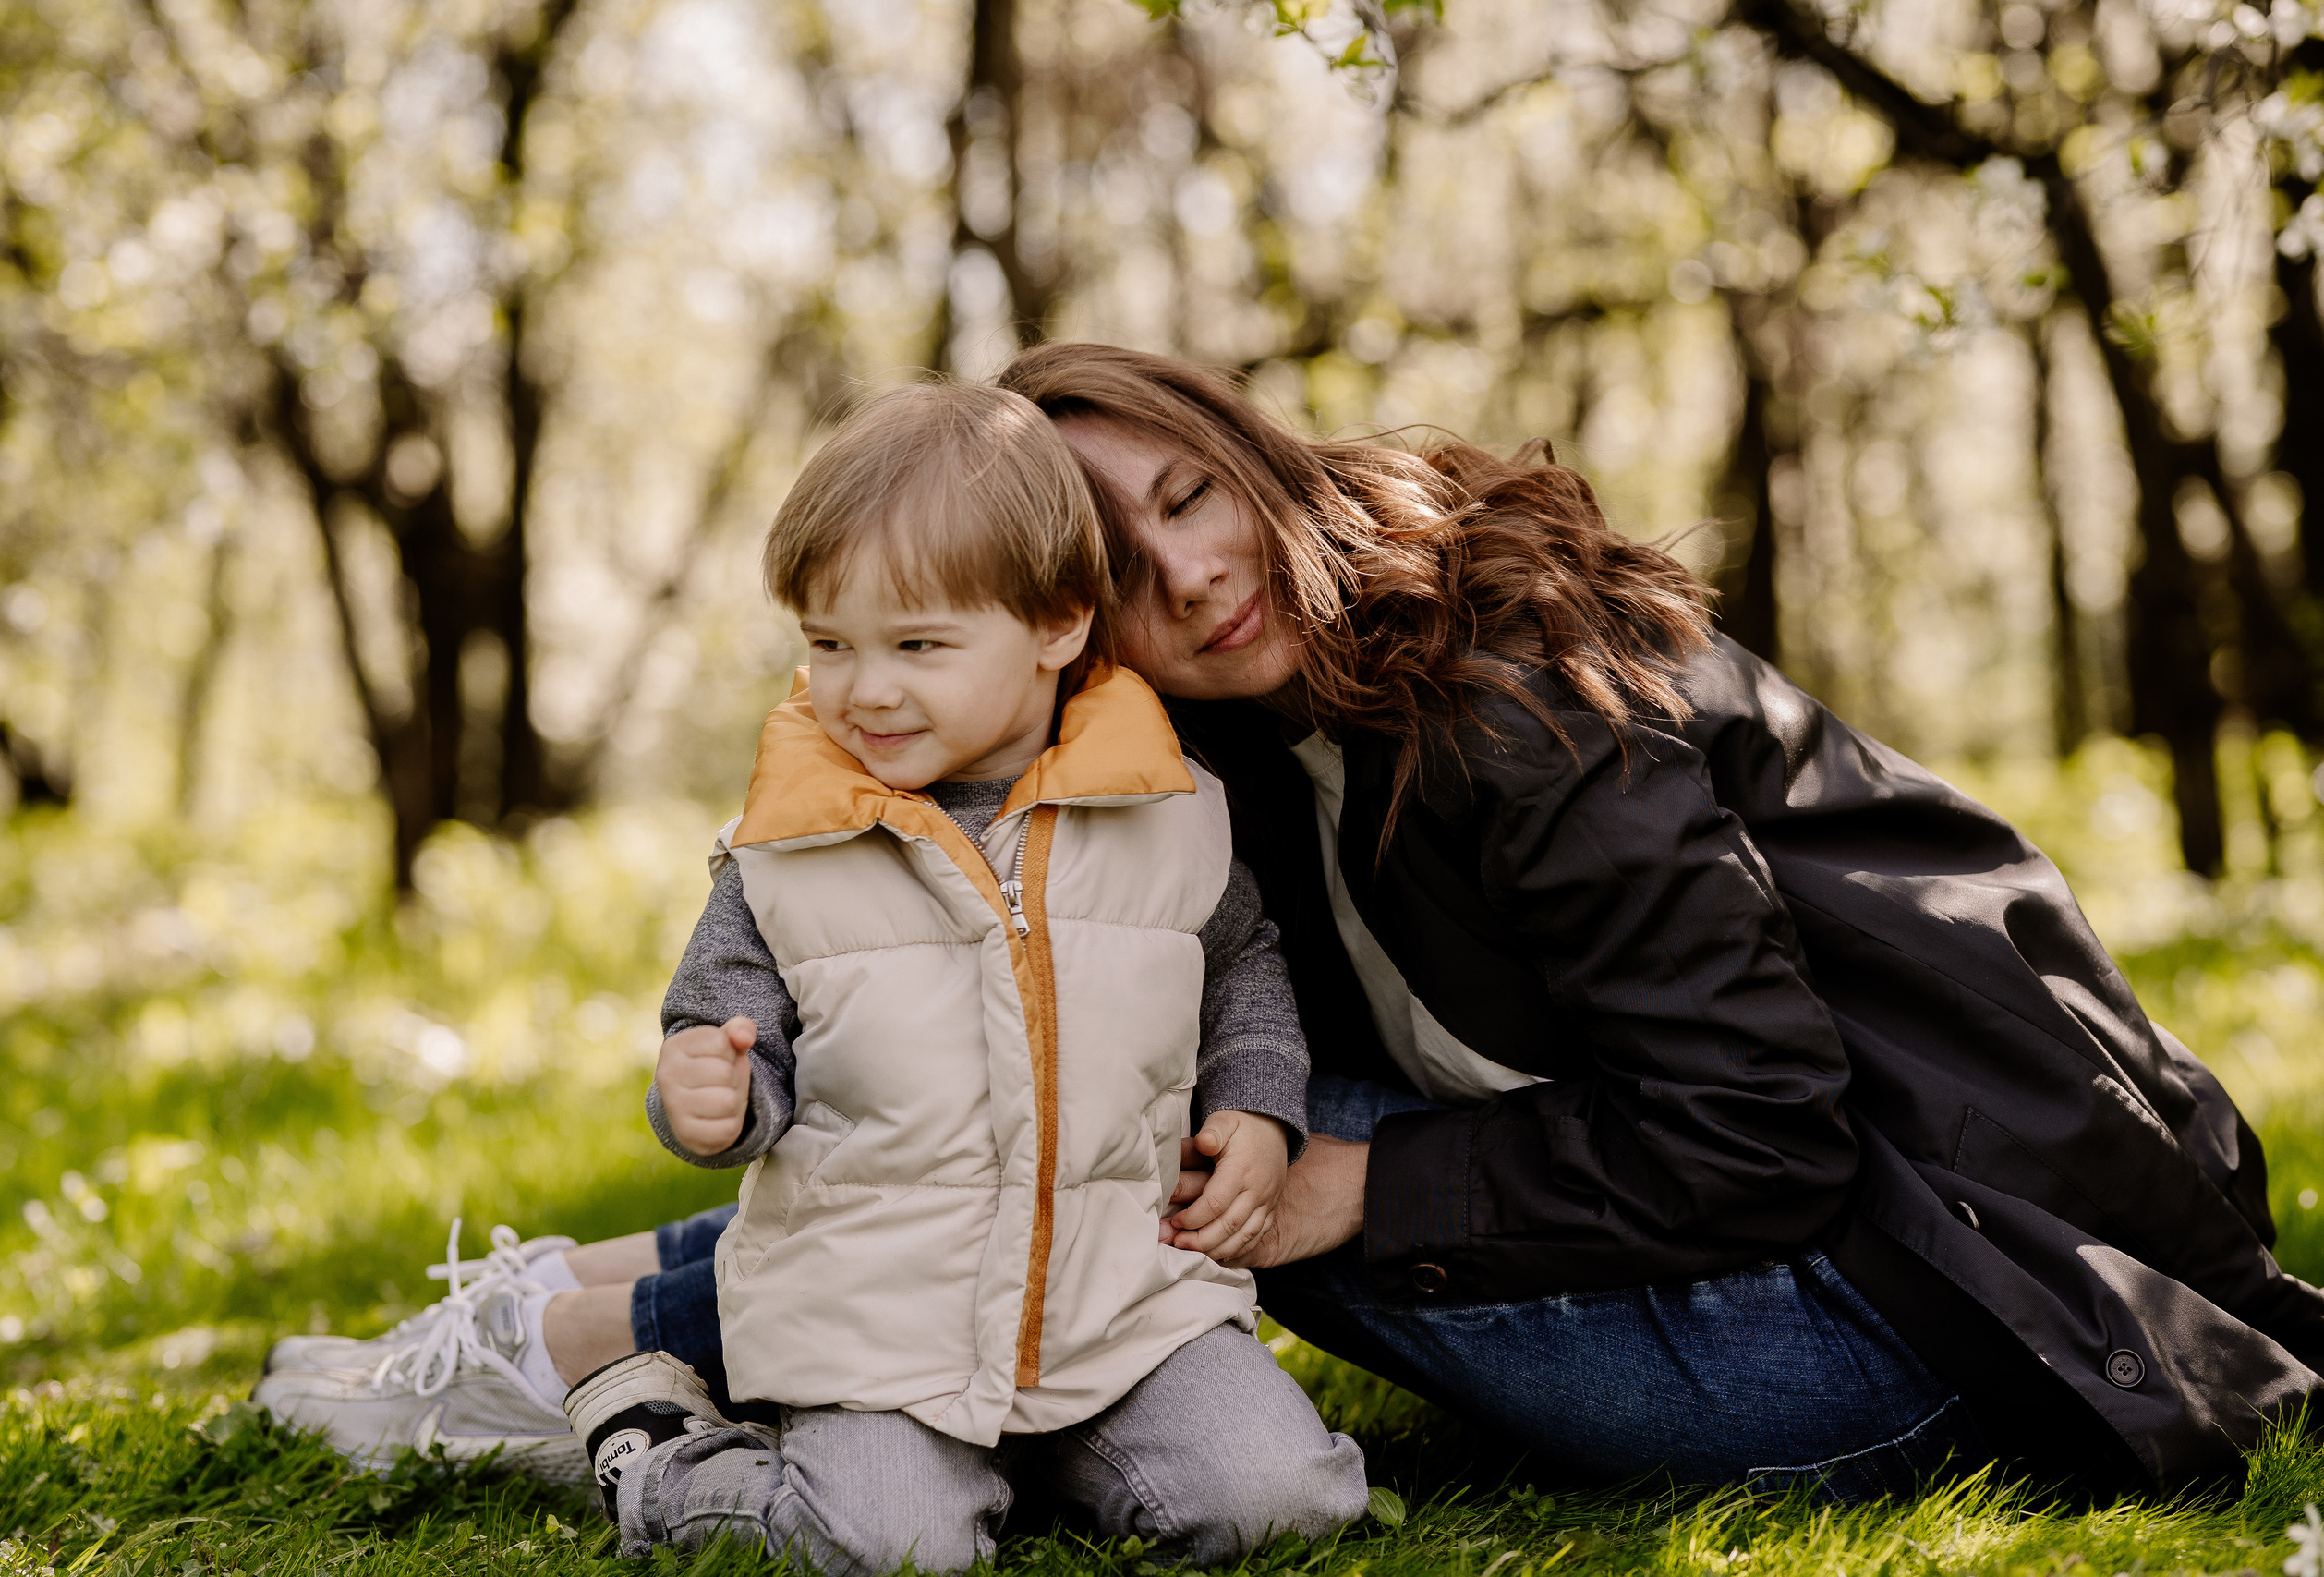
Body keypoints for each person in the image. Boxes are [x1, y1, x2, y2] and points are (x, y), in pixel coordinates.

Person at [263, 342, 2324, 1503]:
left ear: (1249, 453)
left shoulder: (1516, 698)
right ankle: (596, 1319)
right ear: (1066, 621)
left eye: (1193, 492)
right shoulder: (1256, 744)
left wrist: (1361, 1187)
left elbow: (1756, 1130)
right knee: (1079, 1059)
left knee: (1136, 1117)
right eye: (1120, 559)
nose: (1195, 571)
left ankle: (557, 1338)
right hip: (1873, 1269)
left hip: (1904, 1322)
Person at [261, 382, 1367, 1571]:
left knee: (1278, 1499)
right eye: (830, 646)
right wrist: (715, 1091)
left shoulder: (1171, 812)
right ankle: (657, 1449)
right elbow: (726, 1015)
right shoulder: (791, 849)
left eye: (918, 646)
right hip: (878, 1338)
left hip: (1120, 1321)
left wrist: (1256, 1106)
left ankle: (1038, 1466)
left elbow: (1241, 963)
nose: (867, 689)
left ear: (1057, 624)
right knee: (888, 1551)